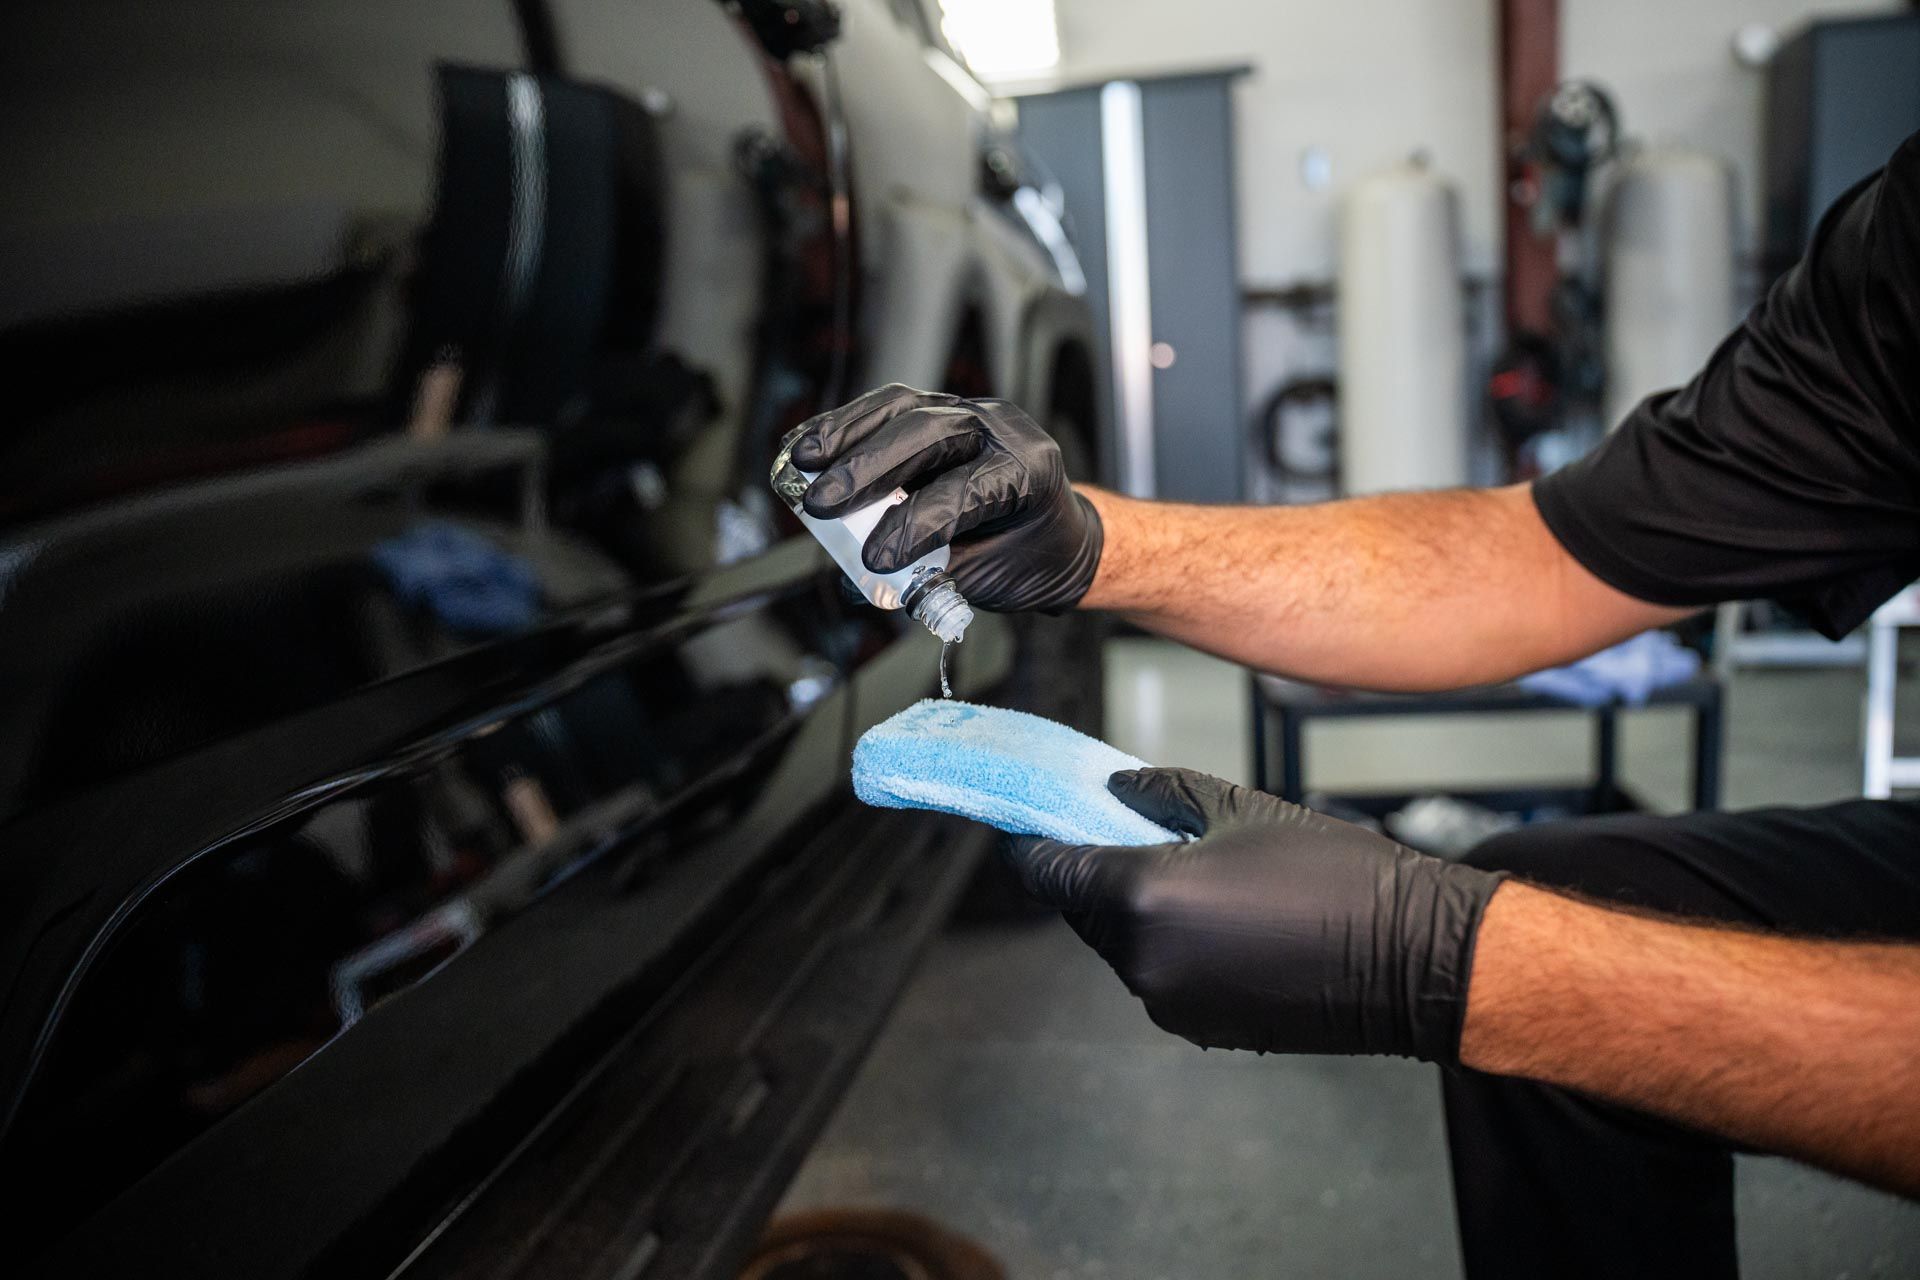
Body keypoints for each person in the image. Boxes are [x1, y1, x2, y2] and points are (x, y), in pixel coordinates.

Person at [786, 129, 1920, 1279]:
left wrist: (1447, 962)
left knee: (1543, 968)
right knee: (1573, 889)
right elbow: (1544, 556)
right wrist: (1094, 544)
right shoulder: (1902, 256)